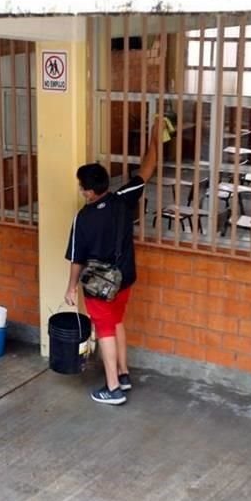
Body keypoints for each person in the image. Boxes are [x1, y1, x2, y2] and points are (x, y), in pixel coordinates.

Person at [64, 119, 168, 405]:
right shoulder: (122, 198)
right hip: (124, 278)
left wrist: (71, 287)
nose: (81, 191)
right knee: (118, 322)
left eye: (81, 187)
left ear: (87, 190)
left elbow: (77, 259)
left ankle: (112, 389)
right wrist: (154, 137)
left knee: (105, 330)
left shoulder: (83, 218)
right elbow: (148, 169)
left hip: (99, 284)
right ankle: (123, 373)